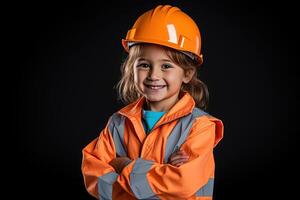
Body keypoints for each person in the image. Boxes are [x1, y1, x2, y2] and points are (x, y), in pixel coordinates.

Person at [81, 4, 224, 200]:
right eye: (144, 65)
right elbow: (95, 178)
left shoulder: (200, 127)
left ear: (187, 73)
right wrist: (163, 172)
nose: (153, 75)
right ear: (131, 68)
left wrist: (123, 165)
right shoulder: (118, 123)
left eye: (166, 66)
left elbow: (182, 184)